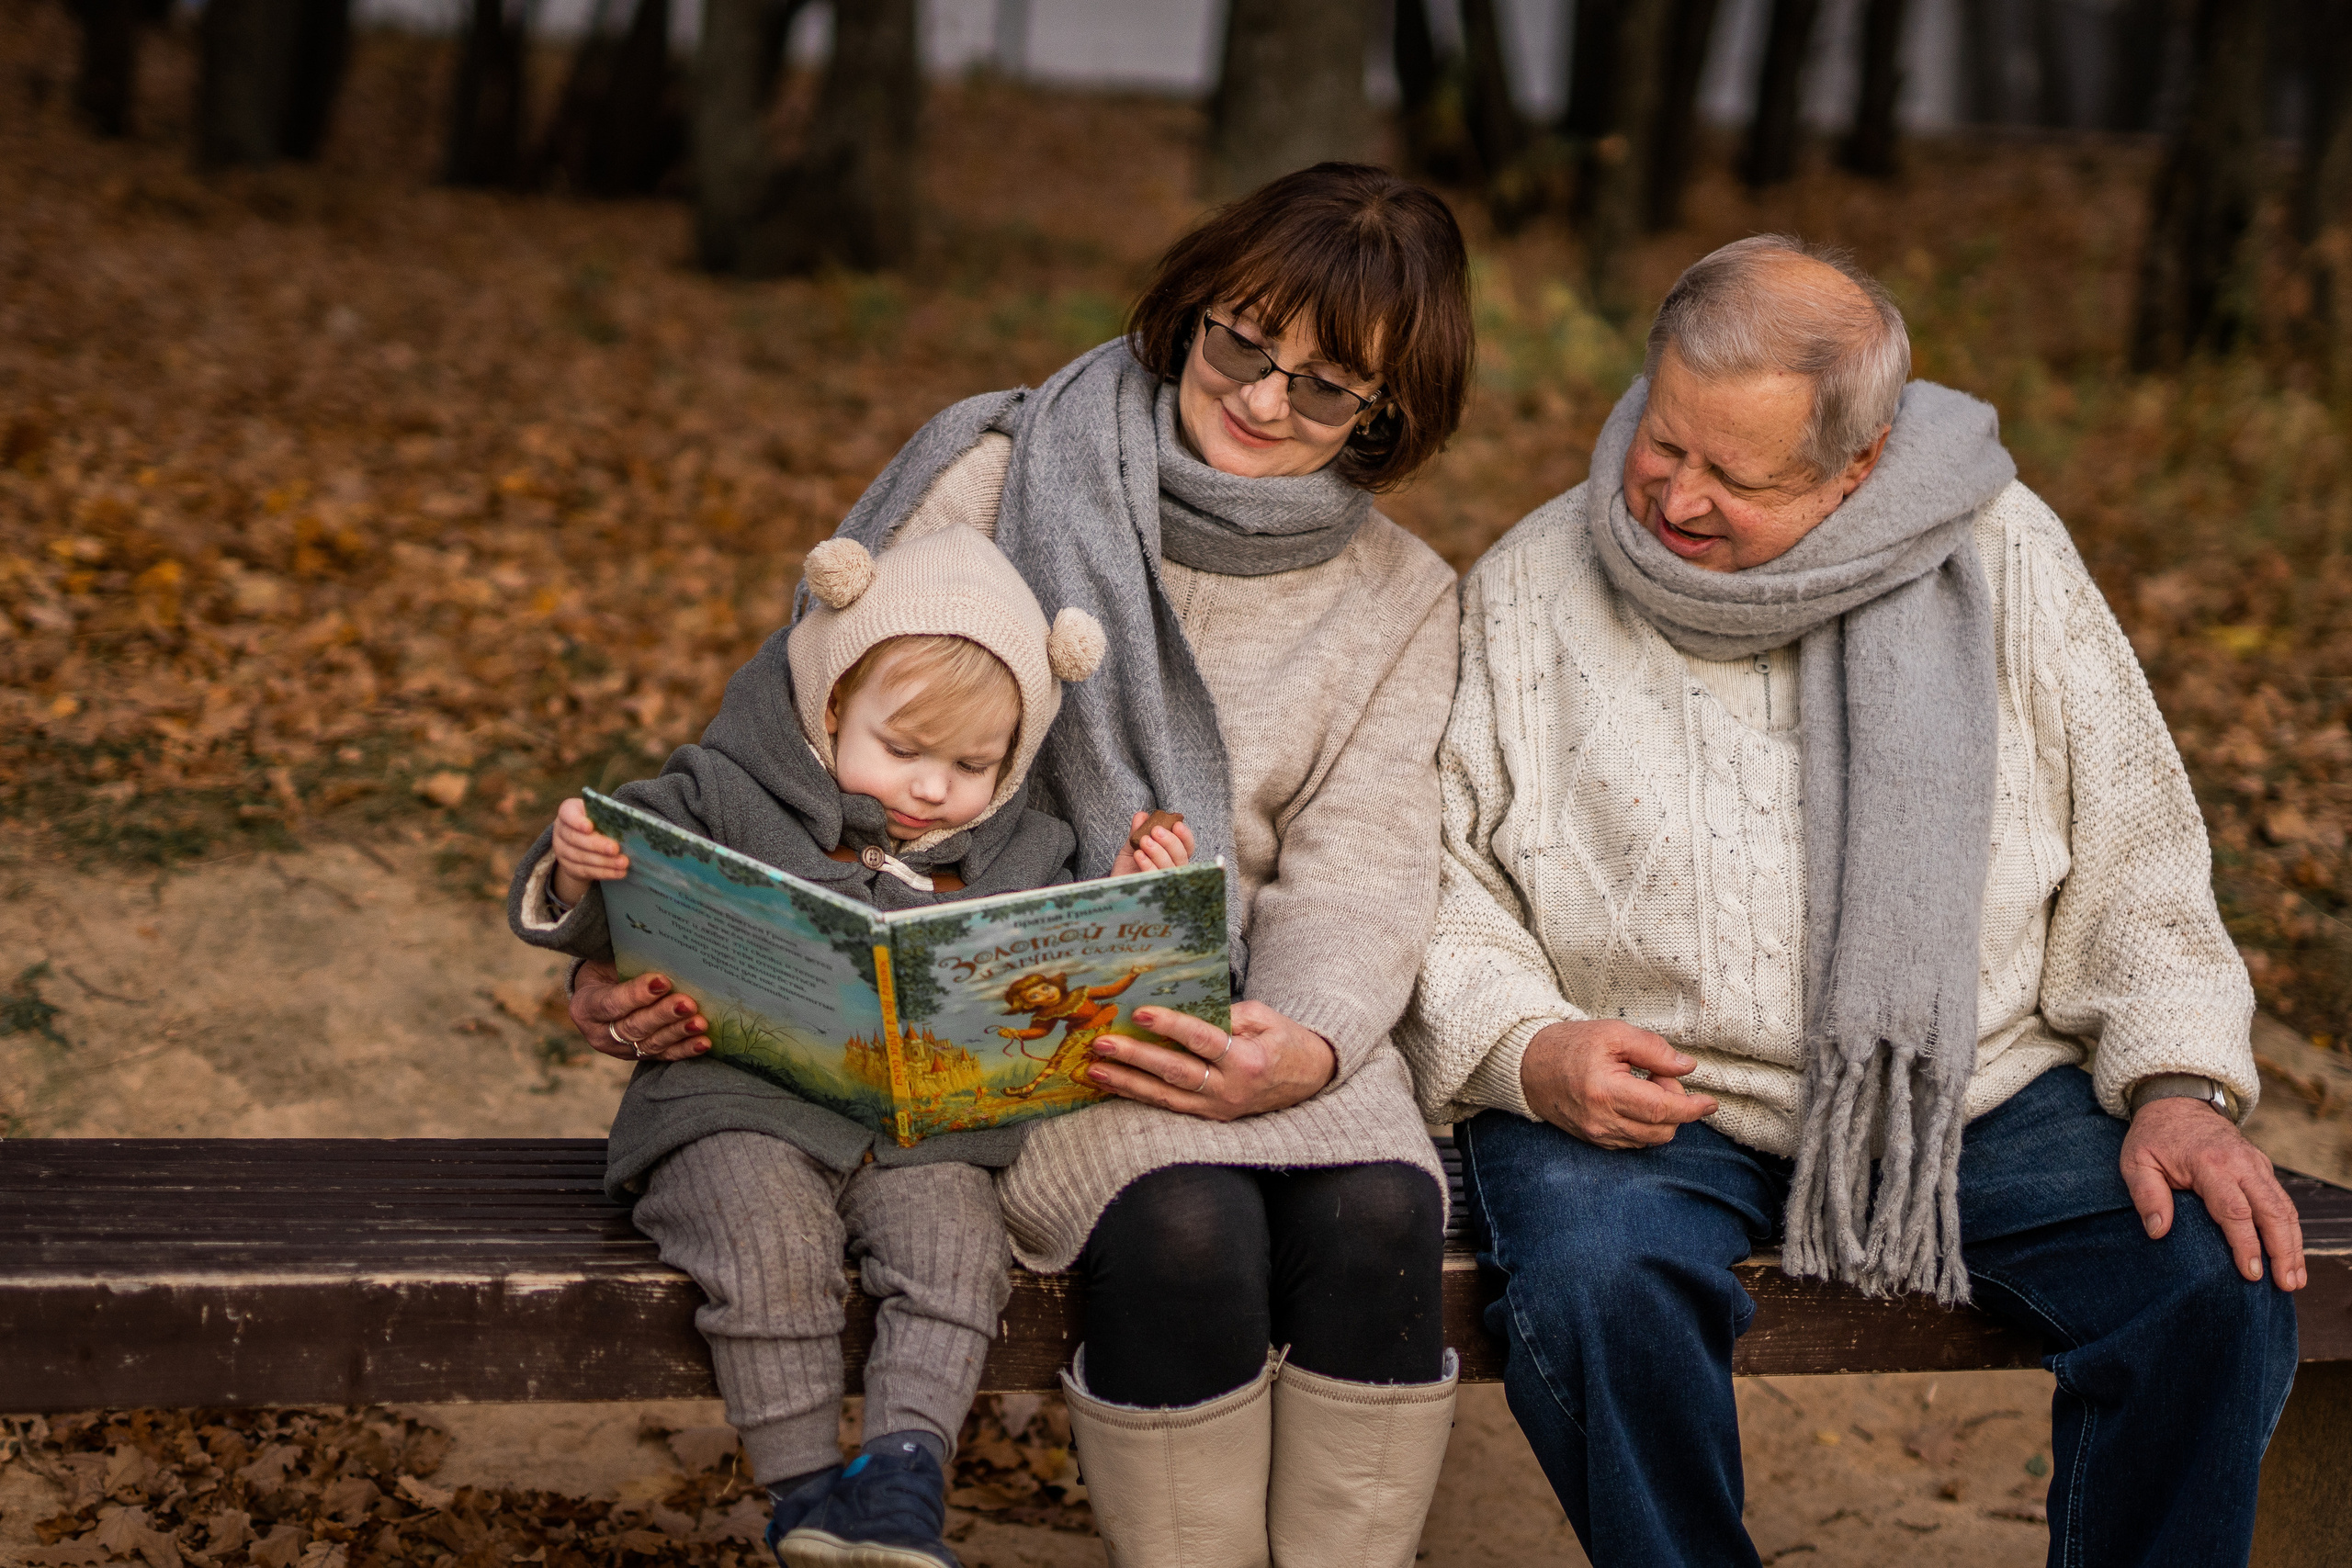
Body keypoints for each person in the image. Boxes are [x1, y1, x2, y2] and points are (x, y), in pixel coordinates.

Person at [562, 162, 1477, 1568]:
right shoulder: (998, 472)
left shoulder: (1402, 593)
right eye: (1241, 340)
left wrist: (1301, 1039)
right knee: (1187, 1228)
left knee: (1377, 1210)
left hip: (1272, 1014)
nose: (1260, 400)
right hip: (1034, 1029)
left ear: (1387, 415)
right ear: (1191, 308)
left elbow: (1363, 859)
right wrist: (647, 952)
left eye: (1326, 387)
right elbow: (811, 734)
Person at [1400, 233, 2304, 1568]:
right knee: (1599, 1289)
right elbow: (1437, 873)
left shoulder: (2006, 555)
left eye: (1736, 472)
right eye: (1664, 438)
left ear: (1859, 464)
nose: (1673, 494)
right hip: (1644, 1080)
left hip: (1966, 1074)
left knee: (2216, 1283)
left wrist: (2178, 1080)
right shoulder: (1535, 584)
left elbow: (2139, 844)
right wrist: (1530, 1046)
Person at [508, 521, 1191, 1568]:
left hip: (922, 1132)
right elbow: (614, 914)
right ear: (829, 710)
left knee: (956, 1256)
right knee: (766, 1241)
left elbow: (1075, 980)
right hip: (731, 1103)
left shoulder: (1024, 850)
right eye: (903, 750)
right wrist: (574, 871)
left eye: (972, 764)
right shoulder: (719, 795)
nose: (930, 788)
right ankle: (805, 1492)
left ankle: (903, 1478)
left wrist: (1134, 890)